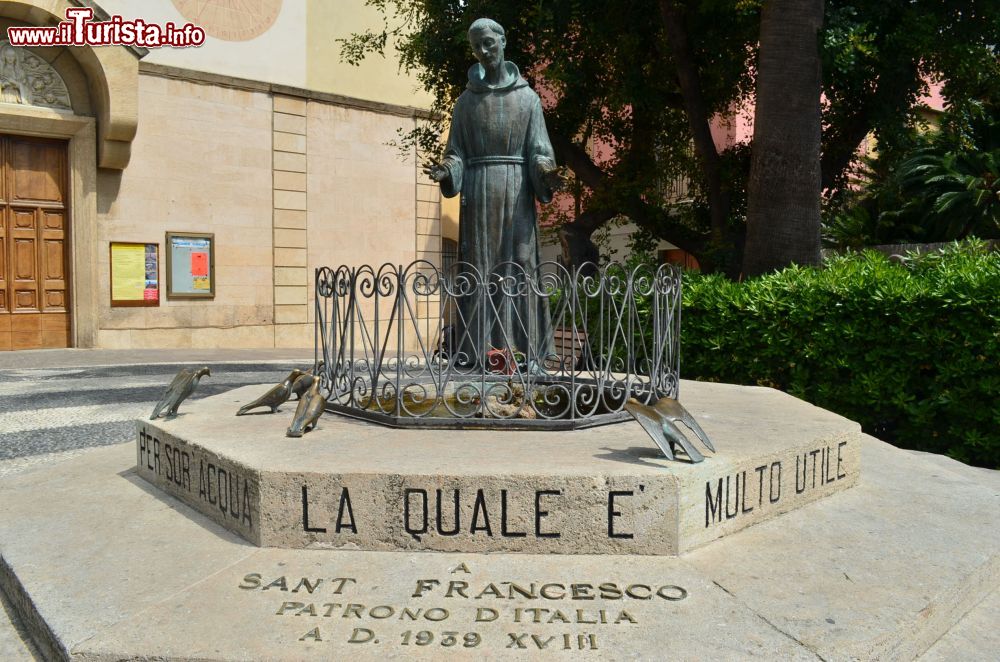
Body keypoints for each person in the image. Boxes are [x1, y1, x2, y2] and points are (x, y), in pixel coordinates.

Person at [426, 18, 562, 368]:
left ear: (503, 41)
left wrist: (545, 172)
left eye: (489, 43)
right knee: (480, 269)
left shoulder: (528, 99)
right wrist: (447, 170)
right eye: (476, 46)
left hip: (516, 190)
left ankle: (528, 354)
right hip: (479, 190)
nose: (483, 51)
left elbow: (539, 151)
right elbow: (456, 153)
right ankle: (477, 352)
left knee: (521, 264)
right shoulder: (466, 103)